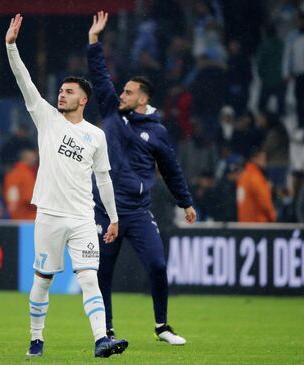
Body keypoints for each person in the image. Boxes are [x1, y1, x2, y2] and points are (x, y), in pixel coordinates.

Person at [6, 14, 128, 358]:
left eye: (69, 91)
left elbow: (103, 178)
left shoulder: (96, 135)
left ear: (83, 100)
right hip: (49, 215)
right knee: (43, 279)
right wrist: (11, 47)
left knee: (89, 277)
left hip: (82, 218)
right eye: (60, 90)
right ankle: (36, 338)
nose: (61, 94)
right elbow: (24, 81)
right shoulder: (47, 120)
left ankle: (101, 340)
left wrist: (114, 217)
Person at [87, 11, 196, 345]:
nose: (122, 94)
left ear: (143, 99)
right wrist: (94, 41)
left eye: (129, 91)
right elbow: (101, 76)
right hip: (106, 211)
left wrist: (186, 202)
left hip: (136, 211)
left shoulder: (158, 132)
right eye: (123, 90)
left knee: (158, 266)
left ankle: (162, 326)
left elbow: (172, 169)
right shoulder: (110, 111)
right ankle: (105, 331)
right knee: (102, 274)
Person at [237, 148, 277, 223]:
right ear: (255, 158)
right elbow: (264, 201)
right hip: (258, 223)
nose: (265, 161)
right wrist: (273, 217)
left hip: (244, 223)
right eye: (263, 158)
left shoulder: (243, 176)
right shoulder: (256, 177)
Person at [4, 148, 38, 219]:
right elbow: (30, 198)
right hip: (28, 217)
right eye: (32, 157)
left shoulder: (12, 173)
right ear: (25, 158)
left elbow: (11, 198)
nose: (35, 159)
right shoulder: (26, 174)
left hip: (14, 216)